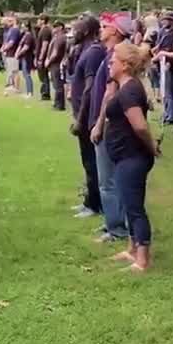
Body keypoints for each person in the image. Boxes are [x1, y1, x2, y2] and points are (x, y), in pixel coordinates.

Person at [103, 41, 162, 272]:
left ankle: (143, 260)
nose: (110, 63)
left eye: (113, 60)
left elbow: (139, 126)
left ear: (125, 65)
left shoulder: (128, 91)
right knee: (129, 205)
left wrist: (151, 147)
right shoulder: (126, 86)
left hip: (132, 157)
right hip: (124, 156)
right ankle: (132, 249)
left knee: (134, 208)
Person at [89, 13, 133, 242]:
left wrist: (99, 124)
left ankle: (116, 228)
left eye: (106, 26)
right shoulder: (113, 54)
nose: (102, 28)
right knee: (113, 179)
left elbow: (110, 93)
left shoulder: (116, 57)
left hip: (110, 125)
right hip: (112, 124)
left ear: (115, 31)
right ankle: (115, 222)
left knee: (108, 181)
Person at [71, 18, 105, 219]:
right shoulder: (85, 51)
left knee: (92, 161)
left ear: (86, 31)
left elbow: (90, 88)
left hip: (88, 117)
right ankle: (89, 199)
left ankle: (95, 204)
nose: (73, 32)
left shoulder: (93, 52)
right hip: (82, 114)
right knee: (87, 160)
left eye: (77, 28)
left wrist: (81, 119)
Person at [47, 21, 68, 111]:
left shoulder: (60, 38)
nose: (53, 29)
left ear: (60, 27)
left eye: (55, 27)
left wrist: (48, 61)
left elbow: (55, 53)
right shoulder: (57, 38)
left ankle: (59, 105)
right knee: (56, 84)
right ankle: (57, 103)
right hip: (55, 64)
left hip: (57, 64)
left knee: (58, 85)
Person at [16, 20, 36, 99]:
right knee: (25, 74)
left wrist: (19, 53)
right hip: (24, 57)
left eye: (23, 27)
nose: (22, 28)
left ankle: (30, 92)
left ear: (27, 28)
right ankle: (28, 92)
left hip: (27, 57)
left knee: (27, 74)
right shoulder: (25, 35)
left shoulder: (28, 36)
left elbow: (26, 47)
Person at [35, 14, 54, 101]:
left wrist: (41, 58)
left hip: (43, 56)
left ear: (43, 20)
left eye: (38, 20)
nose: (37, 21)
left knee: (43, 75)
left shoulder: (45, 31)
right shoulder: (42, 30)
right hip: (40, 56)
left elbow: (45, 45)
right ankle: (44, 92)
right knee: (42, 75)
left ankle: (45, 94)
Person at [1, 17, 21, 94]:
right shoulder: (11, 30)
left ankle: (16, 88)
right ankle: (12, 85)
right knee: (12, 70)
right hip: (9, 53)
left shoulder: (15, 30)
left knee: (15, 71)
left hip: (13, 53)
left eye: (10, 21)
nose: (8, 22)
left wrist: (4, 49)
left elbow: (11, 42)